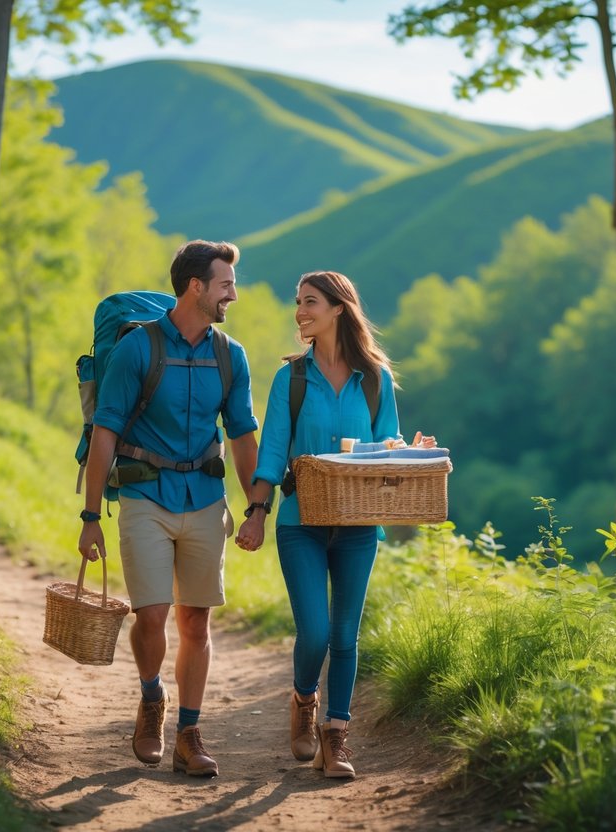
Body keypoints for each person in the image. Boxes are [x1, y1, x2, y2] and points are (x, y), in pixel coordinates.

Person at [235, 270, 436, 779]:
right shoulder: (292, 379)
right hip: (300, 520)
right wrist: (256, 512)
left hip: (359, 523)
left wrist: (409, 452)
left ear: (339, 309)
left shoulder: (376, 379)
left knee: (345, 636)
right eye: (298, 303)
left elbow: (385, 445)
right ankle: (304, 698)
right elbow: (273, 451)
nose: (301, 312)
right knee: (317, 632)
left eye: (310, 303)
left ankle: (336, 739)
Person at [78, 240, 259, 779]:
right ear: (196, 287)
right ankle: (152, 697)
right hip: (144, 496)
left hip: (205, 498)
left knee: (196, 623)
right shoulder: (139, 349)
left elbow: (244, 435)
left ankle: (189, 731)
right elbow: (105, 432)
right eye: (225, 283)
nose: (233, 293)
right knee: (152, 614)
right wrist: (90, 518)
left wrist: (257, 506)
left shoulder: (231, 355)